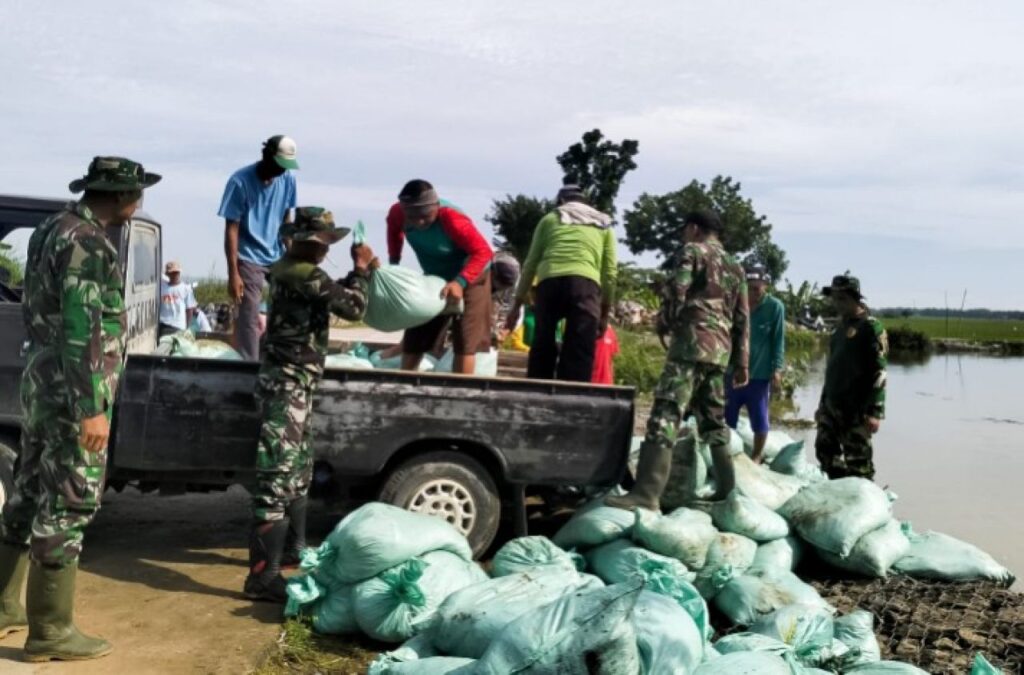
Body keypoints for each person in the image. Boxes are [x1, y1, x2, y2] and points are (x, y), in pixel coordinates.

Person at [0, 156, 159, 661]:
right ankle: (50, 631)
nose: (139, 203)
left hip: (42, 384)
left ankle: (4, 605)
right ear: (117, 196)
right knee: (69, 501)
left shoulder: (48, 230)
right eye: (136, 194)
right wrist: (92, 408)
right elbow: (83, 328)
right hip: (75, 394)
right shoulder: (88, 243)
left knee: (27, 489)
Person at [244, 207, 376, 602]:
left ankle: (291, 552)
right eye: (321, 244)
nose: (323, 251)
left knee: (298, 472)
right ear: (307, 243)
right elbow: (352, 307)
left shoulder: (295, 270)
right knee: (276, 476)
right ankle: (261, 580)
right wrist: (362, 271)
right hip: (286, 386)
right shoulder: (301, 273)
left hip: (297, 384)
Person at [607, 209, 748, 511]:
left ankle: (646, 494)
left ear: (694, 229)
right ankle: (727, 492)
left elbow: (678, 290)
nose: (684, 235)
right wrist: (742, 362)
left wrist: (665, 321)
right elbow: (742, 317)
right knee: (714, 420)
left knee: (666, 414)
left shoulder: (692, 251)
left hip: (690, 346)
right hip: (719, 351)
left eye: (685, 229)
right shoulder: (736, 266)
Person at [506, 183, 617, 382]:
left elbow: (531, 264)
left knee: (543, 344)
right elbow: (609, 273)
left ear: (561, 202)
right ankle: (574, 399)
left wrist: (517, 304)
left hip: (550, 283)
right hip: (586, 285)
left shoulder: (549, 219)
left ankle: (537, 392)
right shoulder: (603, 225)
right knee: (580, 348)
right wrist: (604, 311)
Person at [386, 180, 493, 374]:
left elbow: (483, 252)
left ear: (436, 207)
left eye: (425, 216)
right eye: (412, 217)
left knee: (465, 337)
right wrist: (394, 264)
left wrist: (460, 282)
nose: (418, 222)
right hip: (435, 275)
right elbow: (394, 233)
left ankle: (461, 391)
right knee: (419, 325)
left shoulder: (452, 219)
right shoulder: (397, 213)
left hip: (471, 273)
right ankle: (404, 384)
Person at [219, 135, 299, 360]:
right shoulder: (240, 182)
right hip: (248, 257)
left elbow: (286, 219)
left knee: (288, 306)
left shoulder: (288, 180)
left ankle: (279, 358)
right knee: (249, 317)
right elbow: (231, 229)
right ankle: (249, 367)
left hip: (277, 254)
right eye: (279, 166)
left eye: (286, 167)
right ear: (267, 156)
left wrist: (291, 257)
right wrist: (233, 273)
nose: (282, 171)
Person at [814, 274, 888, 480]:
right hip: (832, 404)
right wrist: (822, 405)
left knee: (859, 462)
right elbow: (832, 370)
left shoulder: (871, 327)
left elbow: (880, 371)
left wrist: (875, 411)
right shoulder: (838, 328)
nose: (837, 304)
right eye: (835, 299)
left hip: (857, 408)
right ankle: (838, 489)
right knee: (824, 450)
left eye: (842, 299)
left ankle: (864, 499)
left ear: (855, 298)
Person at [724, 264, 785, 463]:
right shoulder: (734, 304)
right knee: (727, 417)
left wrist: (777, 369)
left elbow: (778, 340)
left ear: (765, 286)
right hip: (732, 372)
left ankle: (757, 455)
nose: (753, 293)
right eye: (749, 288)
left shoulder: (775, 307)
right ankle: (726, 455)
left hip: (759, 375)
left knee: (759, 419)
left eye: (757, 289)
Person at [158, 261, 197, 337]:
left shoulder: (186, 289)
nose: (174, 275)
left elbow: (189, 310)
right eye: (172, 273)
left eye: (176, 272)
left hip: (178, 326)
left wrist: (186, 327)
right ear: (168, 274)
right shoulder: (162, 287)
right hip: (163, 325)